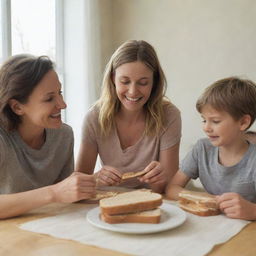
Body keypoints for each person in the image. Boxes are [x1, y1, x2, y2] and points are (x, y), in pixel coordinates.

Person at [76, 40, 181, 194]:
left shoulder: (169, 115)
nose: (133, 92)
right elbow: (79, 184)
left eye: (143, 83)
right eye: (125, 81)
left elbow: (168, 190)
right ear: (113, 78)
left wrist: (160, 179)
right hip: (108, 199)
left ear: (154, 81)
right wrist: (96, 178)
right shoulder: (94, 117)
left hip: (154, 200)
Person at [0, 54, 95, 219]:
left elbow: (66, 199)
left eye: (60, 92)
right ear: (17, 107)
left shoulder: (63, 136)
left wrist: (91, 183)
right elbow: (57, 193)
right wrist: (53, 193)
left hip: (45, 229)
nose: (63, 104)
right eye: (49, 98)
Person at [166, 77, 256, 220]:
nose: (206, 128)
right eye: (204, 120)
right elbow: (171, 189)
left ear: (243, 122)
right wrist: (201, 197)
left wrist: (252, 211)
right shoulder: (202, 149)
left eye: (215, 121)